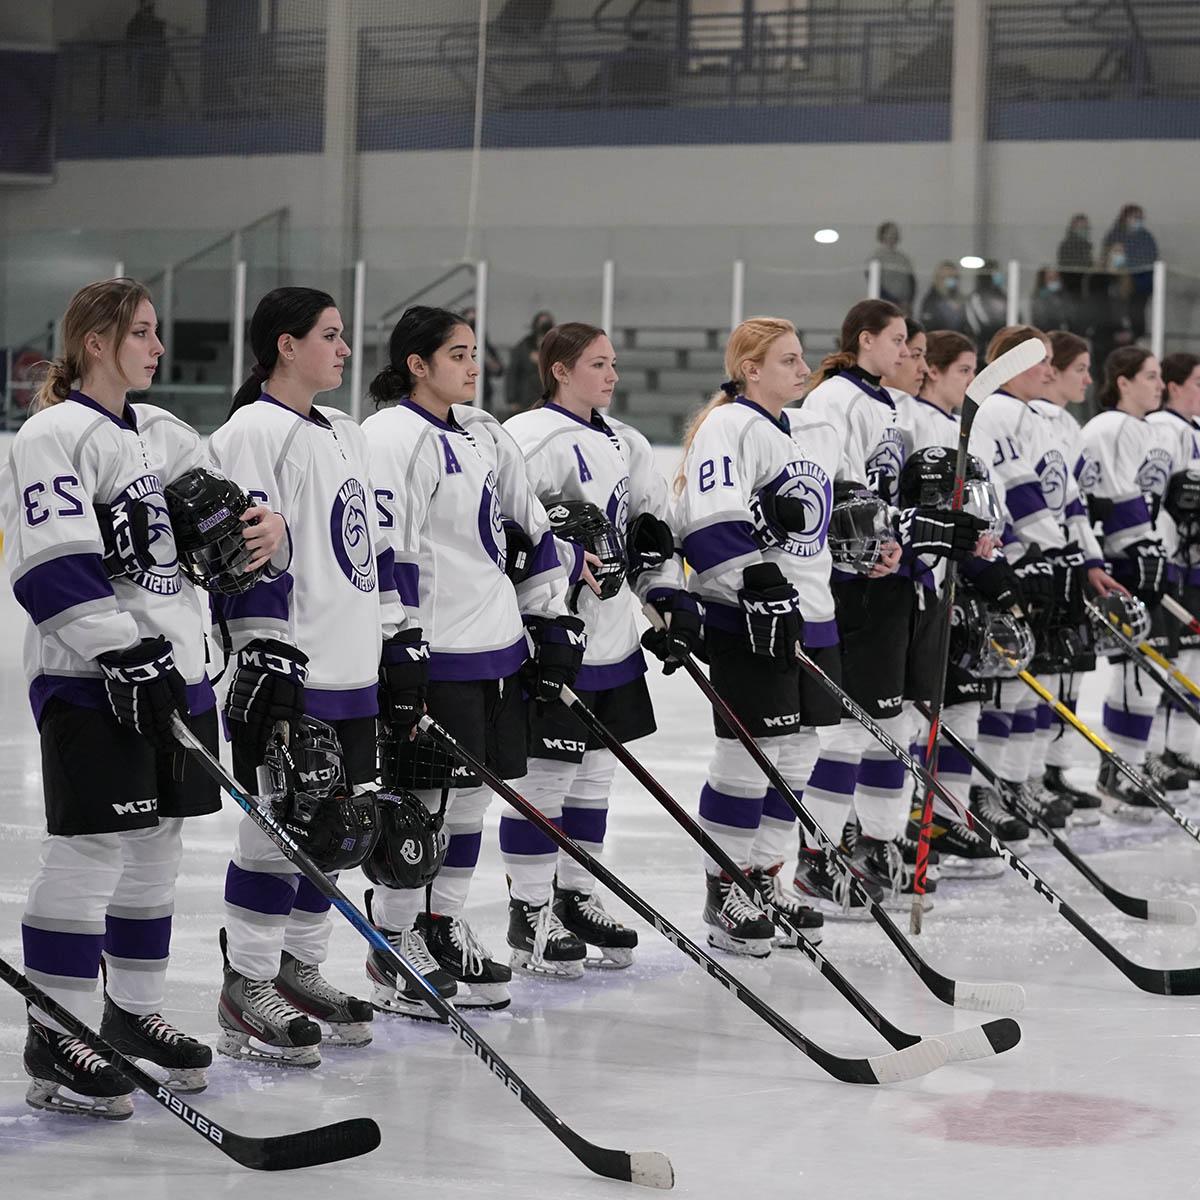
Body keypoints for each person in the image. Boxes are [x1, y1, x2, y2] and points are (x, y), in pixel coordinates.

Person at [1, 278, 283, 1116]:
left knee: (157, 848)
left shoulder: (165, 432)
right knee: (93, 851)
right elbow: (51, 563)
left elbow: (234, 526)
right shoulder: (54, 433)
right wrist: (120, 650)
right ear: (97, 343)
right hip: (93, 677)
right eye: (144, 334)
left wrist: (269, 531)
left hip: (178, 670)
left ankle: (130, 1012)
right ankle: (58, 1033)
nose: (159, 349)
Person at [363, 305, 585, 1011]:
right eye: (456, 354)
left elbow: (533, 526)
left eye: (473, 352)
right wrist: (397, 638)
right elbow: (384, 548)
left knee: (470, 805)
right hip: (437, 651)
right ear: (416, 365)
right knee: (420, 807)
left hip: (496, 650)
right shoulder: (391, 436)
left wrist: (550, 617)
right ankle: (393, 943)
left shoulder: (484, 431)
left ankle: (443, 922)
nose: (472, 364)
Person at [212, 287, 381, 1068]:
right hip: (295, 667)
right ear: (286, 345)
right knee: (276, 834)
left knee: (334, 831)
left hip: (354, 666)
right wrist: (265, 652)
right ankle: (246, 984)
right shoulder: (254, 428)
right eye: (330, 336)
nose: (344, 350)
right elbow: (244, 550)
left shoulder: (340, 431)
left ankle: (298, 970)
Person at [499, 321, 698, 974]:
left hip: (612, 639)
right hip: (555, 635)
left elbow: (648, 531)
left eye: (614, 363)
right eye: (597, 364)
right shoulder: (530, 438)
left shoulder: (628, 441)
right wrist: (557, 557)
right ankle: (529, 909)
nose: (612, 375)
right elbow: (508, 530)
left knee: (594, 777)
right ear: (559, 369)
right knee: (547, 778)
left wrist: (665, 594)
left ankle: (577, 893)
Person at [800, 300, 988, 909]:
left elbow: (892, 500)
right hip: (854, 589)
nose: (910, 353)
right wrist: (898, 534)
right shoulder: (836, 400)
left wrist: (932, 528)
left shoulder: (885, 404)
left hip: (893, 584)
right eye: (900, 341)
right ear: (866, 340)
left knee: (893, 729)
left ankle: (877, 848)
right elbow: (842, 500)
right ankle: (816, 858)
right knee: (848, 734)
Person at [673, 316, 835, 948]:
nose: (803, 369)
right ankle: (725, 888)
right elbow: (710, 524)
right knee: (747, 760)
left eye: (802, 359)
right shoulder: (731, 424)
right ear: (751, 369)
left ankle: (762, 876)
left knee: (796, 757)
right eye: (790, 360)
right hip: (753, 620)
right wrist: (759, 588)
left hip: (809, 614)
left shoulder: (787, 432)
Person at [967, 325, 1120, 835]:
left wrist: (1080, 558)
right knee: (1007, 689)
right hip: (1015, 565)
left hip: (1045, 563)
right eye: (1043, 361)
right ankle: (990, 790)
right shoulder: (995, 411)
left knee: (1039, 686)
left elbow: (1067, 497)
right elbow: (1002, 494)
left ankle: (1022, 781)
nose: (1051, 372)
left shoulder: (1031, 416)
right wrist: (1035, 556)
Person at [1076, 348, 1168, 818]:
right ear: (1123, 381)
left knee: (1144, 668)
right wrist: (1140, 544)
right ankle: (1119, 769)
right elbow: (1112, 495)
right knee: (1136, 667)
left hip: (1129, 552)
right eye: (1150, 377)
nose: (1160, 385)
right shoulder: (1112, 426)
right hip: (1117, 558)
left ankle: (1127, 762)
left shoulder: (1141, 428)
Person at [1026, 330, 1107, 818]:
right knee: (1037, 678)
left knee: (1068, 673)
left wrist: (1090, 558)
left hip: (1068, 562)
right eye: (1079, 368)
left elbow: (1073, 501)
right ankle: (1027, 774)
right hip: (1040, 560)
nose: (1087, 379)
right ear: (1051, 368)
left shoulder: (1069, 424)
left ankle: (1052, 769)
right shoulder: (1027, 418)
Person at [1144, 352, 1200, 787]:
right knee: (1164, 656)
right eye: (1198, 382)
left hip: (1193, 566)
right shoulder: (1165, 428)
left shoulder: (1194, 429)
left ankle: (1180, 748)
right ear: (1175, 386)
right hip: (1171, 564)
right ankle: (1146, 754)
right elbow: (1154, 498)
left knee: (1193, 659)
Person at [1103, 204, 1158, 341]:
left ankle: (1136, 335)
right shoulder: (1114, 234)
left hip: (1140, 284)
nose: (1137, 220)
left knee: (1136, 312)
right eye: (1134, 217)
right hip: (1116, 280)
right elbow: (1106, 256)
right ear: (1125, 217)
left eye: (1139, 217)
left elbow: (1151, 257)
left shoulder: (1146, 237)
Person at [506, 309, 555, 414]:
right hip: (527, 397)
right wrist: (512, 399)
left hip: (549, 397)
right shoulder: (524, 346)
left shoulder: (556, 346)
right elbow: (512, 372)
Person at [461, 305, 504, 411]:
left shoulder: (485, 346)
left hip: (483, 393)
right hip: (461, 394)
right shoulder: (455, 347)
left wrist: (486, 358)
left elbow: (499, 370)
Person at [870, 222, 916, 314]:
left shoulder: (903, 259)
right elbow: (876, 285)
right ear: (882, 235)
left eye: (895, 233)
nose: (892, 236)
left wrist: (908, 302)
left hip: (905, 307)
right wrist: (894, 302)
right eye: (889, 233)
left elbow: (912, 282)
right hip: (886, 305)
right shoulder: (876, 259)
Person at [965, 261, 1009, 355]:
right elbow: (978, 323)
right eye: (995, 272)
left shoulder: (1003, 296)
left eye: (999, 272)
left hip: (1002, 343)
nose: (999, 275)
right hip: (983, 346)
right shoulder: (977, 296)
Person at [919, 262, 970, 335]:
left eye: (954, 277)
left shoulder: (963, 301)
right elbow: (928, 329)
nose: (950, 281)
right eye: (946, 277)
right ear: (937, 279)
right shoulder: (930, 302)